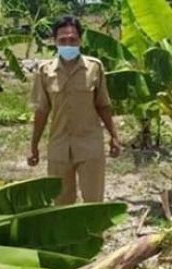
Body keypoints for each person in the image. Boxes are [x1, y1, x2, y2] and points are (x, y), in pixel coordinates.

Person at [28, 15, 121, 204]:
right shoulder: (45, 71)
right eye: (62, 40)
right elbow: (42, 111)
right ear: (55, 42)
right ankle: (68, 235)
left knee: (94, 201)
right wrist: (33, 146)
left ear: (80, 40)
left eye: (73, 39)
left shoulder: (94, 68)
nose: (68, 44)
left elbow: (103, 105)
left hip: (90, 146)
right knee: (61, 202)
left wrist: (115, 136)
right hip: (59, 147)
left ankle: (95, 234)